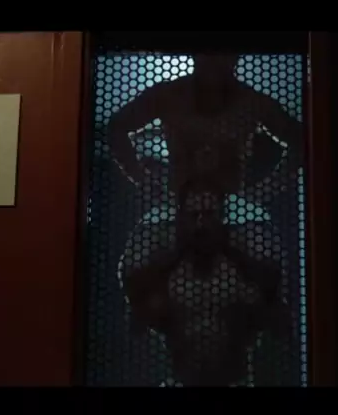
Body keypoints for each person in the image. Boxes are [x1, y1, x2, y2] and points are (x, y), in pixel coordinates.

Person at [109, 54, 301, 386]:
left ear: (235, 59)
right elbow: (116, 128)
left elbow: (299, 138)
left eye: (224, 54)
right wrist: (144, 181)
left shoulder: (250, 103)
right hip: (178, 209)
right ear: (196, 57)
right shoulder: (168, 96)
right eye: (208, 53)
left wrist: (267, 189)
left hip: (234, 213)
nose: (215, 63)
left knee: (257, 294)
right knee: (154, 295)